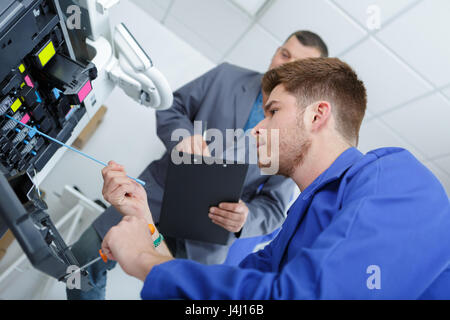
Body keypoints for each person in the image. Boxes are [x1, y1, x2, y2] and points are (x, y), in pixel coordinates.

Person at [100, 57, 450, 299]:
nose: (257, 128)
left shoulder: (394, 178)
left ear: (317, 116)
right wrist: (147, 227)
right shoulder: (293, 232)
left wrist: (143, 259)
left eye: (273, 112)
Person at [66, 31, 329, 299]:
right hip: (158, 195)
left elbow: (273, 207)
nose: (285, 64)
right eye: (284, 53)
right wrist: (184, 136)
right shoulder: (227, 76)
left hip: (208, 235)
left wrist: (245, 217)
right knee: (82, 262)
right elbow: (171, 107)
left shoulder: (296, 133)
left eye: (298, 63)